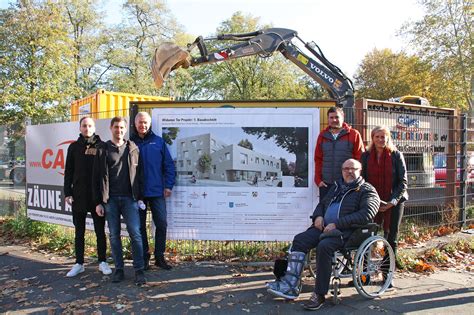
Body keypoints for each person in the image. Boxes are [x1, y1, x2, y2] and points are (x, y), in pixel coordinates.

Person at [266, 159, 380, 311]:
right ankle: (290, 285)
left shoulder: (367, 190)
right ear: (342, 171)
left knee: (324, 246)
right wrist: (318, 217)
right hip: (324, 227)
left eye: (353, 169)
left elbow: (367, 213)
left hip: (347, 231)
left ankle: (319, 294)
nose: (349, 172)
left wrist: (337, 224)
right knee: (300, 240)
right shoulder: (336, 187)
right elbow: (321, 204)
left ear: (360, 170)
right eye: (346, 169)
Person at [93, 116, 146, 285]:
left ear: (125, 129)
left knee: (136, 235)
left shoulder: (133, 148)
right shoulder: (102, 149)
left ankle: (139, 270)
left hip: (130, 199)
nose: (119, 130)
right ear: (111, 128)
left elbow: (140, 176)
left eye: (122, 127)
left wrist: (140, 198)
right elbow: (96, 178)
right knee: (114, 236)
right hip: (111, 200)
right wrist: (99, 202)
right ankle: (119, 270)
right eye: (116, 127)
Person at [64, 117, 112, 277]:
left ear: (94, 127)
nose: (87, 128)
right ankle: (79, 263)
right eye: (84, 125)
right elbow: (68, 171)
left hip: (97, 197)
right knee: (79, 232)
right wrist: (67, 193)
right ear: (80, 128)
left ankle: (102, 262)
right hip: (78, 196)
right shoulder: (73, 147)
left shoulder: (102, 146)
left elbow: (106, 173)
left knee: (100, 231)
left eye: (90, 125)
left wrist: (103, 197)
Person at [361, 125, 408, 275]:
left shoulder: (396, 155)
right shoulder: (366, 156)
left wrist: (392, 201)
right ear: (372, 139)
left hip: (394, 201)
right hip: (372, 202)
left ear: (388, 138)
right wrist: (373, 201)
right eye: (377, 137)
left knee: (391, 238)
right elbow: (363, 181)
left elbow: (403, 182)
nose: (381, 139)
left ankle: (387, 274)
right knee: (367, 237)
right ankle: (364, 275)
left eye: (383, 136)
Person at [131, 112, 175, 270]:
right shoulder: (129, 143)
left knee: (161, 224)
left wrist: (168, 186)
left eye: (145, 123)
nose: (142, 125)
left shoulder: (159, 142)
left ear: (149, 124)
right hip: (137, 194)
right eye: (140, 123)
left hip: (157, 192)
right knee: (140, 227)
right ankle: (144, 257)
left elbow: (169, 166)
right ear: (135, 124)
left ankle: (159, 256)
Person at [314, 107, 364, 200]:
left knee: (346, 212)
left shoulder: (354, 134)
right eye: (331, 117)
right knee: (325, 212)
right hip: (326, 184)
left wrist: (356, 180)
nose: (334, 120)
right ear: (328, 119)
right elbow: (318, 159)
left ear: (343, 117)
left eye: (337, 117)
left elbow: (360, 159)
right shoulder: (322, 135)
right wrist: (318, 180)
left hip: (348, 184)